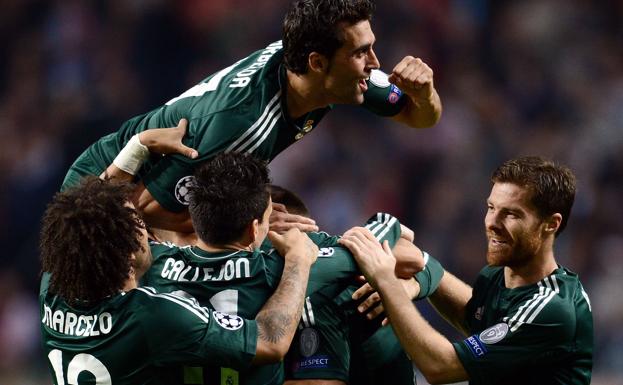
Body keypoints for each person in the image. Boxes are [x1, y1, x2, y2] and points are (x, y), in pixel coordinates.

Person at [61, 0, 442, 233]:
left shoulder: (332, 72)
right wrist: (255, 218)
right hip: (100, 196)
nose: (374, 63)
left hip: (155, 196)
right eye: (362, 52)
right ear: (317, 63)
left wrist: (423, 93)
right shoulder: (241, 124)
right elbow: (147, 212)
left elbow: (421, 119)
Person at [140, 153, 425, 385]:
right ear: (255, 230)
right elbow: (384, 246)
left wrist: (138, 147)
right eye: (267, 217)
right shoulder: (281, 268)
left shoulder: (155, 266)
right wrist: (387, 221)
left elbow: (116, 214)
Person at [39, 176, 319, 385]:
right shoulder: (153, 316)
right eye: (138, 223)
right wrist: (298, 259)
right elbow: (270, 342)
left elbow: (79, 205)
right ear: (127, 256)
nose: (147, 229)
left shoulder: (51, 288)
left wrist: (139, 145)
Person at [339, 156, 594, 385]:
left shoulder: (552, 308)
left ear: (551, 224)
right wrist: (423, 267)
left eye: (512, 214)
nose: (492, 223)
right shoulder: (498, 276)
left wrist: (387, 282)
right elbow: (476, 318)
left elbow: (441, 367)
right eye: (491, 208)